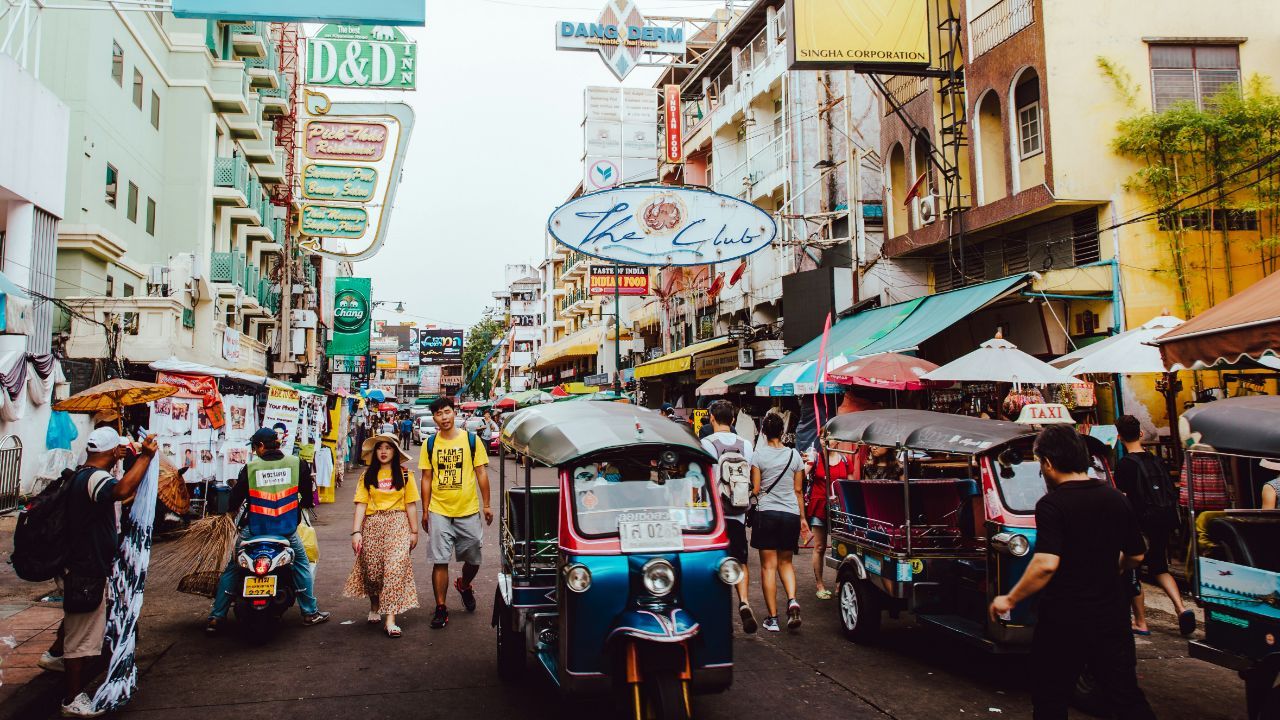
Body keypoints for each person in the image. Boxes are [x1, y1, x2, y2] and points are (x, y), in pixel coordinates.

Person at [989, 425, 1155, 720]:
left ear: (1049, 463)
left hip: (1064, 619)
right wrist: (1110, 567)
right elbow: (1137, 554)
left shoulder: (1053, 504)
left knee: (1050, 697)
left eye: (1040, 463)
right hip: (1111, 618)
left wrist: (1010, 599)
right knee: (1125, 696)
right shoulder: (1117, 498)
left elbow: (1046, 564)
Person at [54, 428, 156, 718]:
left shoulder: (81, 474)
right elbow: (121, 490)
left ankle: (54, 655)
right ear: (112, 453)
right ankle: (72, 698)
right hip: (86, 568)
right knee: (81, 636)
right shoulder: (95, 478)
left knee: (83, 624)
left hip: (84, 565)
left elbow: (118, 495)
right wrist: (146, 457)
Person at [205, 428, 331, 634]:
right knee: (301, 564)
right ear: (277, 443)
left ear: (261, 446)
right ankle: (310, 612)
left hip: (253, 531)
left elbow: (235, 499)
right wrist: (304, 505)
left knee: (233, 567)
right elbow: (307, 496)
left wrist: (228, 514)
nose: (255, 451)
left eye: (255, 447)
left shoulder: (251, 468)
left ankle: (216, 616)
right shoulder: (296, 464)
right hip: (286, 532)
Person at [1114, 415, 1194, 637]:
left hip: (1139, 525)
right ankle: (1181, 608)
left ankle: (1141, 622)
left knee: (1133, 571)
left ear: (1119, 437)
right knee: (1160, 567)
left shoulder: (1124, 465)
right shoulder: (1156, 461)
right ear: (1140, 434)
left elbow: (1123, 498)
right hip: (1162, 521)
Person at [420, 396, 492, 630]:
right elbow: (426, 478)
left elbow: (481, 473)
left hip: (468, 510)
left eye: (447, 412)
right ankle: (441, 607)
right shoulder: (429, 444)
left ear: (454, 413)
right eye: (439, 414)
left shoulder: (472, 441)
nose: (444, 417)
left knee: (473, 558)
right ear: (434, 418)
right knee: (440, 560)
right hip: (439, 510)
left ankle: (464, 584)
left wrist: (487, 504)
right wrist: (424, 510)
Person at [345, 434, 420, 638]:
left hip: (398, 524)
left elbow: (410, 504)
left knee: (395, 569)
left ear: (395, 452)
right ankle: (375, 604)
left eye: (388, 447)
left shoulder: (405, 475)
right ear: (375, 452)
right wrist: (356, 532)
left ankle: (391, 620)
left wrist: (414, 531)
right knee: (373, 571)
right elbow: (361, 504)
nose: (384, 451)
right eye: (380, 448)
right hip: (373, 525)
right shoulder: (366, 476)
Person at [699, 399, 758, 633]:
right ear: (733, 420)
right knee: (740, 561)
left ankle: (721, 612)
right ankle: (744, 601)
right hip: (738, 513)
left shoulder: (706, 443)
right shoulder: (746, 445)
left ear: (712, 418)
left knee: (715, 564)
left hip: (714, 516)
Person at [750, 413, 806, 632]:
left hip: (767, 514)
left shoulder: (759, 456)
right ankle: (792, 600)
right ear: (782, 432)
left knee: (768, 567)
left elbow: (755, 489)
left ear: (763, 432)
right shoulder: (795, 456)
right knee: (786, 563)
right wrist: (802, 519)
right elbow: (798, 490)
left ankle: (772, 619)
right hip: (790, 514)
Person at [805, 440, 851, 601]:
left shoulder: (846, 460)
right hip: (819, 505)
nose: (826, 441)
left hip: (839, 509)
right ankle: (820, 584)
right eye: (824, 437)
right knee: (819, 546)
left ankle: (840, 583)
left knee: (842, 548)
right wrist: (807, 462)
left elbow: (850, 486)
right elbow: (802, 474)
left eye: (830, 437)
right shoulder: (816, 458)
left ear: (838, 440)